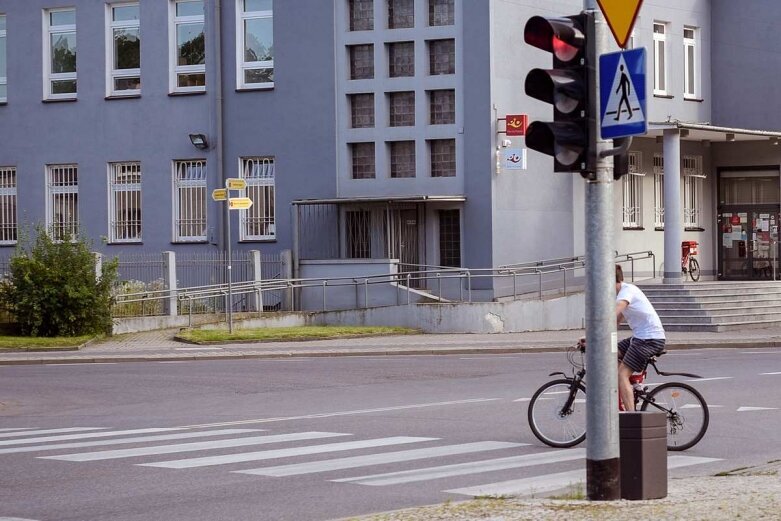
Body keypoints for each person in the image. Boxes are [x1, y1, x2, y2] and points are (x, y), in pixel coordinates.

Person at [615, 264, 666, 411]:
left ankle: (632, 417)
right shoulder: (621, 294)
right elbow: (614, 322)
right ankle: (634, 384)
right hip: (640, 337)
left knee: (622, 374)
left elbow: (614, 312)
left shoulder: (626, 292)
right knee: (610, 353)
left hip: (649, 339)